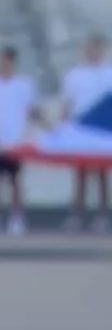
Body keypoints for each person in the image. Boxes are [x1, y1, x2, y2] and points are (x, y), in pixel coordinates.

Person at [0, 45, 39, 236]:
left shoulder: (24, 85)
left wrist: (30, 134)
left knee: (14, 180)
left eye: (5, 61)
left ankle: (17, 217)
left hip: (15, 140)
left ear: (12, 63)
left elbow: (32, 111)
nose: (2, 65)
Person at [57, 33, 112, 232]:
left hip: (102, 129)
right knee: (79, 173)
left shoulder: (109, 73)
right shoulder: (75, 74)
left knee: (102, 173)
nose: (92, 52)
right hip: (80, 129)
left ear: (102, 49)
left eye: (96, 48)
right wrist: (64, 125)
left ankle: (102, 216)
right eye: (89, 48)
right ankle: (76, 215)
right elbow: (67, 102)